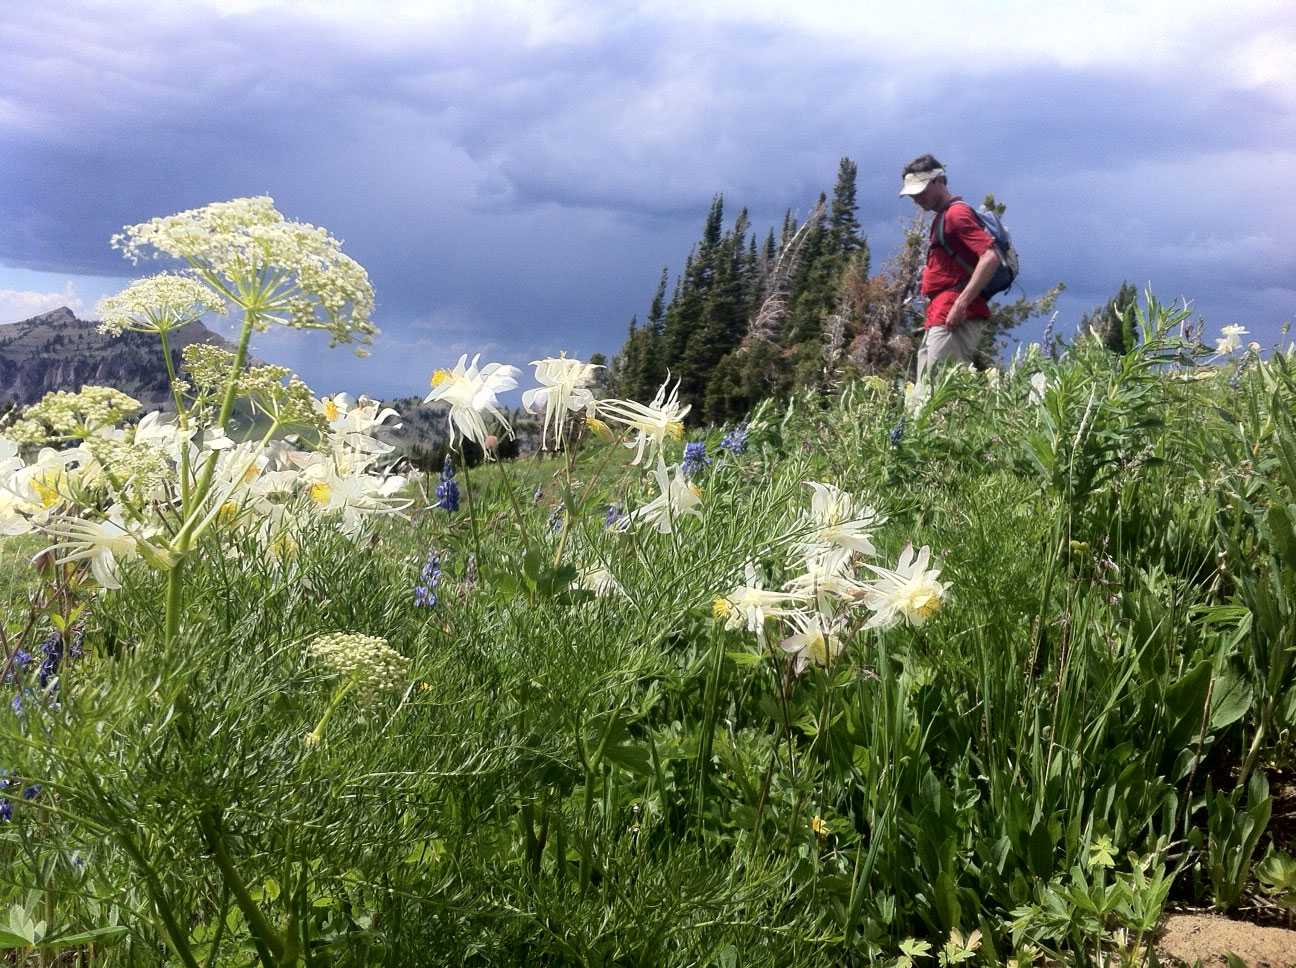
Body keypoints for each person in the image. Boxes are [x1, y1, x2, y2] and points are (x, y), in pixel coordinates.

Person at [898, 154, 1001, 385]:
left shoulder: (956, 214)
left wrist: (961, 303)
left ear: (939, 181)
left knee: (942, 391)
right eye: (912, 193)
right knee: (924, 396)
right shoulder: (942, 217)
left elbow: (990, 256)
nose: (916, 198)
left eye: (920, 190)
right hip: (940, 314)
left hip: (953, 315)